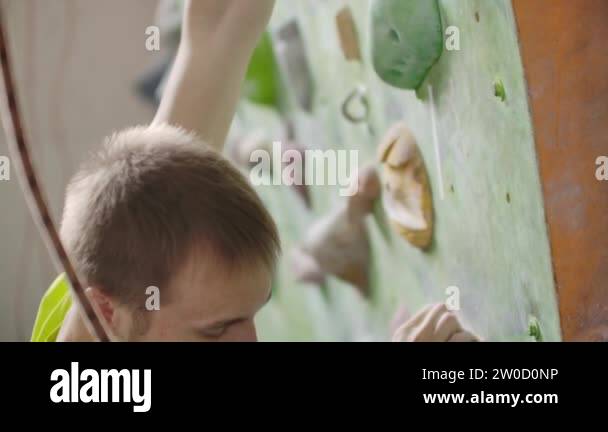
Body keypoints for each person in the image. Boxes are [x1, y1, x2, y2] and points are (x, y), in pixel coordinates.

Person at [31, 0, 478, 343]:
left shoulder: (108, 280)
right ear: (107, 315)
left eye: (251, 314)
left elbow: (220, 29)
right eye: (214, 332)